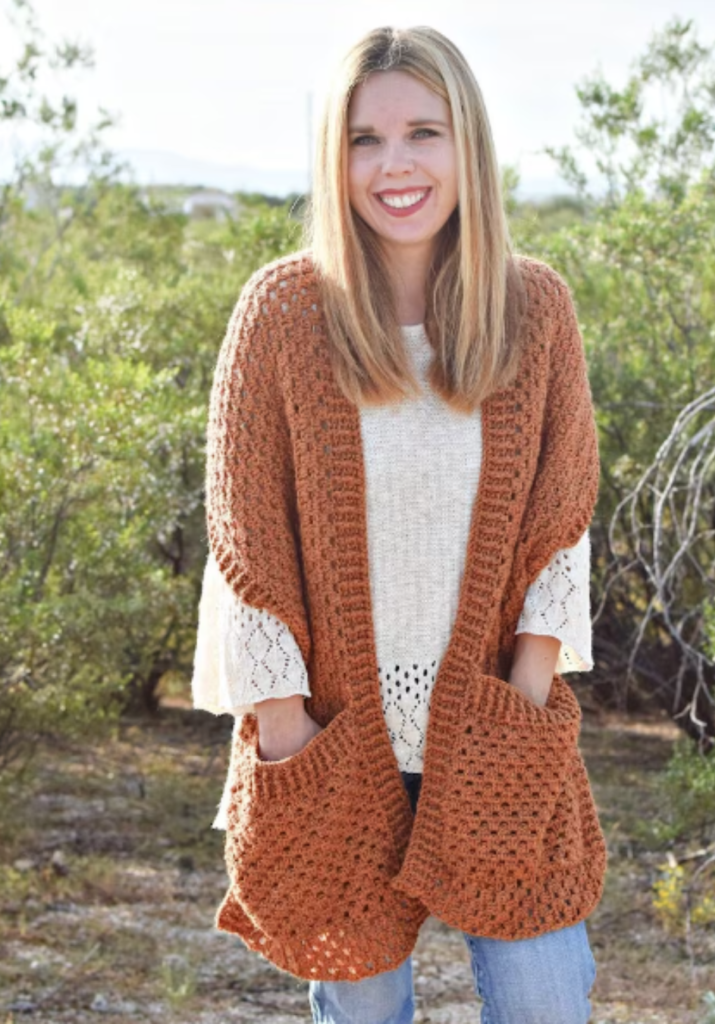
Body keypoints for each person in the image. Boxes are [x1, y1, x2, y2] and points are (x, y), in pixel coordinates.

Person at [192, 24, 606, 1024]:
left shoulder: (534, 310)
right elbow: (244, 542)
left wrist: (526, 690)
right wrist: (290, 733)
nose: (395, 165)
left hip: (496, 734)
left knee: (547, 1003)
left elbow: (562, 519)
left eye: (423, 131)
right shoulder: (286, 314)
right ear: (334, 160)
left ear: (468, 144)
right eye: (364, 140)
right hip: (336, 747)